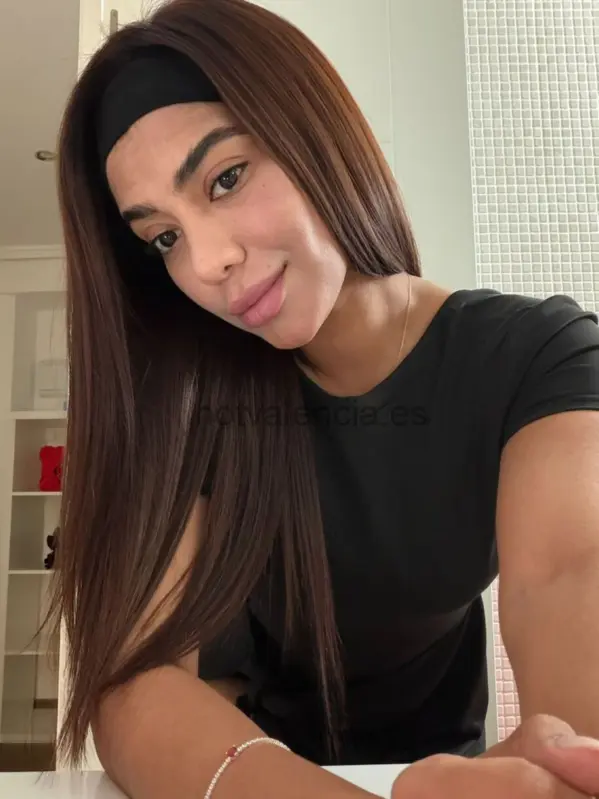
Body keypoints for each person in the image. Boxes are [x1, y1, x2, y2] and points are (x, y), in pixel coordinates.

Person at [46, 0, 599, 797]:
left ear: (313, 132)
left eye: (226, 177)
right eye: (163, 237)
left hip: (445, 767)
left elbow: (569, 579)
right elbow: (138, 681)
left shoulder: (537, 357)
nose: (205, 261)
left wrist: (554, 766)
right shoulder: (188, 398)